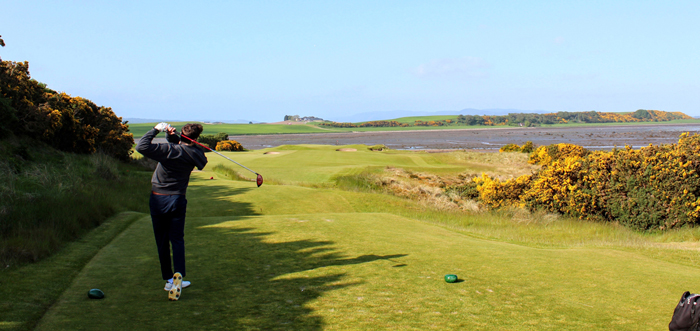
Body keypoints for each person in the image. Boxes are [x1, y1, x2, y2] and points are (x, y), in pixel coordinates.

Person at [135, 122, 208, 300]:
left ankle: (169, 279)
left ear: (183, 134)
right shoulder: (197, 154)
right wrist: (173, 137)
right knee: (177, 239)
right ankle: (179, 276)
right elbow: (188, 150)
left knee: (162, 240)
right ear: (196, 137)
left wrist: (156, 130)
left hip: (158, 198)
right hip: (177, 199)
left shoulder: (167, 150)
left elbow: (141, 146)